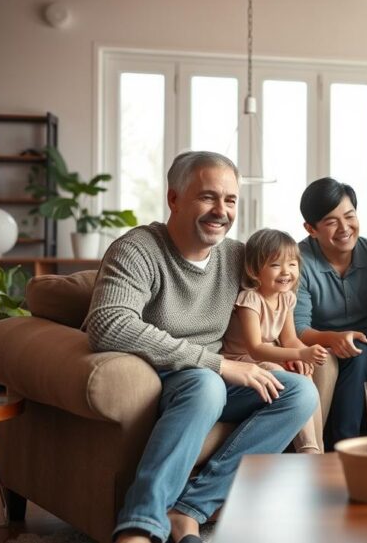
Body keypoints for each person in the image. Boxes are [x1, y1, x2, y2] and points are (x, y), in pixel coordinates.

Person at [84, 151, 318, 543]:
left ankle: (189, 510)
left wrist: (289, 352)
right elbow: (109, 323)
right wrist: (218, 365)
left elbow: (281, 284)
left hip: (216, 373)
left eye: (230, 200)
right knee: (206, 383)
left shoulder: (236, 256)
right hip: (157, 374)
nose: (221, 211)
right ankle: (141, 525)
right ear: (174, 198)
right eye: (208, 197)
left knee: (298, 393)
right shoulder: (139, 249)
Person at [293, 177, 367, 451]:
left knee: (361, 352)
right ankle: (342, 447)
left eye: (350, 216)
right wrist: (334, 338)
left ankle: (346, 447)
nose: (345, 228)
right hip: (319, 345)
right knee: (354, 353)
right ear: (311, 229)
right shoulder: (299, 261)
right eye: (331, 222)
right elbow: (298, 328)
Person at [221, 228, 329, 454]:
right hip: (242, 362)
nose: (286, 272)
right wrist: (298, 354)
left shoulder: (287, 297)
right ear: (254, 270)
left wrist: (306, 353)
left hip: (268, 358)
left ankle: (316, 448)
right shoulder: (250, 300)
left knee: (305, 373)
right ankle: (307, 450)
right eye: (275, 265)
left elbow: (289, 339)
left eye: (292, 264)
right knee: (277, 370)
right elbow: (256, 349)